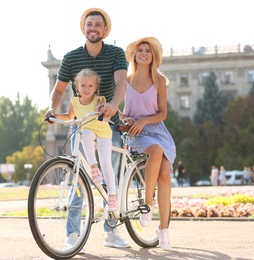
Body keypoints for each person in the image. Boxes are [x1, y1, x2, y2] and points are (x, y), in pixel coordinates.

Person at [43, 8, 130, 250]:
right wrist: (52, 108)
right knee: (78, 179)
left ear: (105, 30)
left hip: (106, 124)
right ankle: (73, 234)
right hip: (81, 126)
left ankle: (111, 233)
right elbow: (59, 90)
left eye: (98, 25)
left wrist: (114, 105)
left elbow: (122, 81)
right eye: (89, 24)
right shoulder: (71, 58)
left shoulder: (115, 53)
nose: (93, 28)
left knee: (108, 179)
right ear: (84, 28)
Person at [119, 36, 176, 250]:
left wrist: (145, 120)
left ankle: (164, 231)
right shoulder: (125, 79)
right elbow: (119, 108)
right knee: (156, 152)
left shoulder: (160, 80)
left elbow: (163, 114)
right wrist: (124, 117)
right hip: (136, 133)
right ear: (135, 54)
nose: (144, 53)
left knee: (165, 174)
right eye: (141, 50)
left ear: (153, 56)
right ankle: (148, 205)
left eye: (148, 51)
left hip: (157, 131)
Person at [54, 68, 118, 211]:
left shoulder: (99, 100)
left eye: (90, 86)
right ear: (77, 87)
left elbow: (107, 115)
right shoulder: (75, 101)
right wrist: (54, 116)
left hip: (103, 133)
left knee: (106, 162)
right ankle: (93, 168)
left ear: (96, 87)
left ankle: (112, 197)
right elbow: (69, 116)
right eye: (83, 86)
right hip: (88, 132)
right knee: (86, 132)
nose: (87, 89)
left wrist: (104, 112)